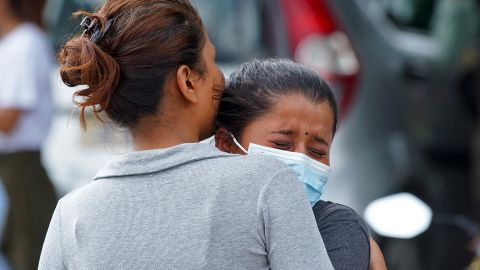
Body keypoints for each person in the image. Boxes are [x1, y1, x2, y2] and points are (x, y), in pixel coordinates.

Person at [39, 1, 335, 269]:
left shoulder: (71, 214)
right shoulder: (266, 183)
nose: (222, 78)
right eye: (212, 61)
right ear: (188, 82)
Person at [215, 58, 387, 270]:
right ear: (226, 144)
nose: (301, 160)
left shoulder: (335, 228)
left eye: (317, 151)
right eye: (281, 144)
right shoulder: (192, 215)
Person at [0, 0, 57, 269]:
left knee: (28, 256)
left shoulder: (26, 43)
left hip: (21, 167)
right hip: (10, 168)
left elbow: (8, 119)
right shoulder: (11, 44)